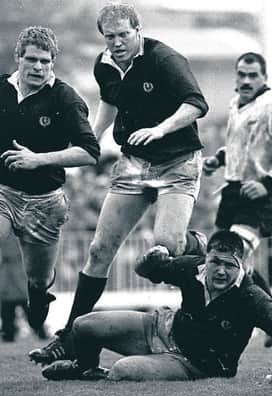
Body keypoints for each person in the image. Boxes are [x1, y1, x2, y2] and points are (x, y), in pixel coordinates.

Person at [29, 3, 209, 365]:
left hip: (177, 160)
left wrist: (160, 129)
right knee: (99, 250)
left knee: (166, 247)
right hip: (133, 162)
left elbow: (196, 104)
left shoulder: (165, 60)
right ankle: (68, 337)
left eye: (123, 35)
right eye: (109, 37)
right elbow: (109, 104)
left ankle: (196, 243)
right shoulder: (105, 64)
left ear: (138, 30)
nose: (116, 43)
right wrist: (90, 140)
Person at [41, 230, 272, 382]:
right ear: (207, 258)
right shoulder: (192, 267)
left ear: (241, 265)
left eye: (229, 265)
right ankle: (84, 367)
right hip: (162, 328)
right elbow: (144, 271)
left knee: (123, 370)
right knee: (83, 325)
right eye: (216, 262)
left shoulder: (252, 296)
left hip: (194, 362)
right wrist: (148, 259)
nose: (221, 271)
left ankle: (110, 373)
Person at [0, 27, 100, 333]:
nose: (38, 67)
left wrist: (38, 159)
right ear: (18, 57)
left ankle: (39, 295)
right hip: (3, 191)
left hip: (45, 200)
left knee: (39, 277)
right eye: (31, 59)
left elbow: (90, 152)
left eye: (46, 61)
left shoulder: (65, 98)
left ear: (53, 62)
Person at [202, 52, 272, 296]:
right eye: (242, 75)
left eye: (253, 75)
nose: (246, 81)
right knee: (225, 262)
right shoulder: (236, 103)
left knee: (231, 257)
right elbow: (245, 146)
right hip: (232, 193)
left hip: (257, 195)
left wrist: (268, 183)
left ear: (264, 78)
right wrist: (219, 159)